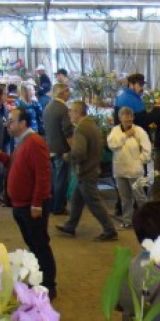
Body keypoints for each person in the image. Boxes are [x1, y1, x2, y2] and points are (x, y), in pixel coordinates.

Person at [1, 106, 57, 299]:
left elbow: (43, 176)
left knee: (40, 245)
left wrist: (37, 204)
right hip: (20, 204)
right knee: (33, 245)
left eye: (12, 121)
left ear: (23, 123)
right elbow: (18, 166)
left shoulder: (35, 142)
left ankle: (49, 285)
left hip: (31, 207)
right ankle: (39, 280)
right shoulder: (23, 142)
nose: (8, 124)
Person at [56, 100, 117, 241]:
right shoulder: (91, 124)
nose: (69, 114)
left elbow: (79, 152)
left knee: (94, 202)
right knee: (77, 199)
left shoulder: (81, 128)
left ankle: (110, 230)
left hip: (86, 171)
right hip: (91, 168)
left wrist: (67, 156)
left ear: (77, 112)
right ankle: (70, 226)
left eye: (71, 111)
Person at [107, 106, 152, 228]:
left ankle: (146, 221)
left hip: (135, 170)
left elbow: (147, 149)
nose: (128, 119)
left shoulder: (139, 131)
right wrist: (125, 135)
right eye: (125, 116)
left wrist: (139, 161)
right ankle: (127, 220)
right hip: (120, 169)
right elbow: (112, 145)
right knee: (125, 197)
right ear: (120, 118)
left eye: (130, 117)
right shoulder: (115, 131)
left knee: (140, 197)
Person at [42, 82, 73, 215]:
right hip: (61, 149)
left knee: (54, 178)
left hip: (50, 147)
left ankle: (52, 204)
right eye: (67, 91)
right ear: (61, 93)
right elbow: (67, 131)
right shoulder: (63, 109)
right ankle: (59, 206)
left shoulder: (48, 107)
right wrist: (73, 147)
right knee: (61, 179)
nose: (69, 93)